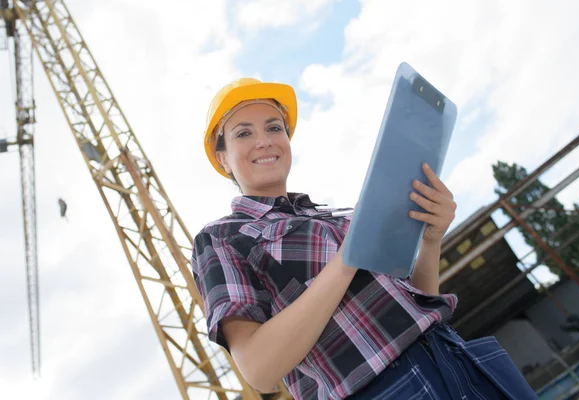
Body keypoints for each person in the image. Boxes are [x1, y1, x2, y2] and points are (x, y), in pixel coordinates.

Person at [191, 78, 537, 400]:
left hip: (454, 359)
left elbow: (418, 304)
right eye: (243, 133)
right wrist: (347, 259)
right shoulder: (222, 238)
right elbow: (259, 369)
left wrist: (431, 241)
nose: (264, 140)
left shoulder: (340, 216)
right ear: (222, 158)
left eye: (273, 127)